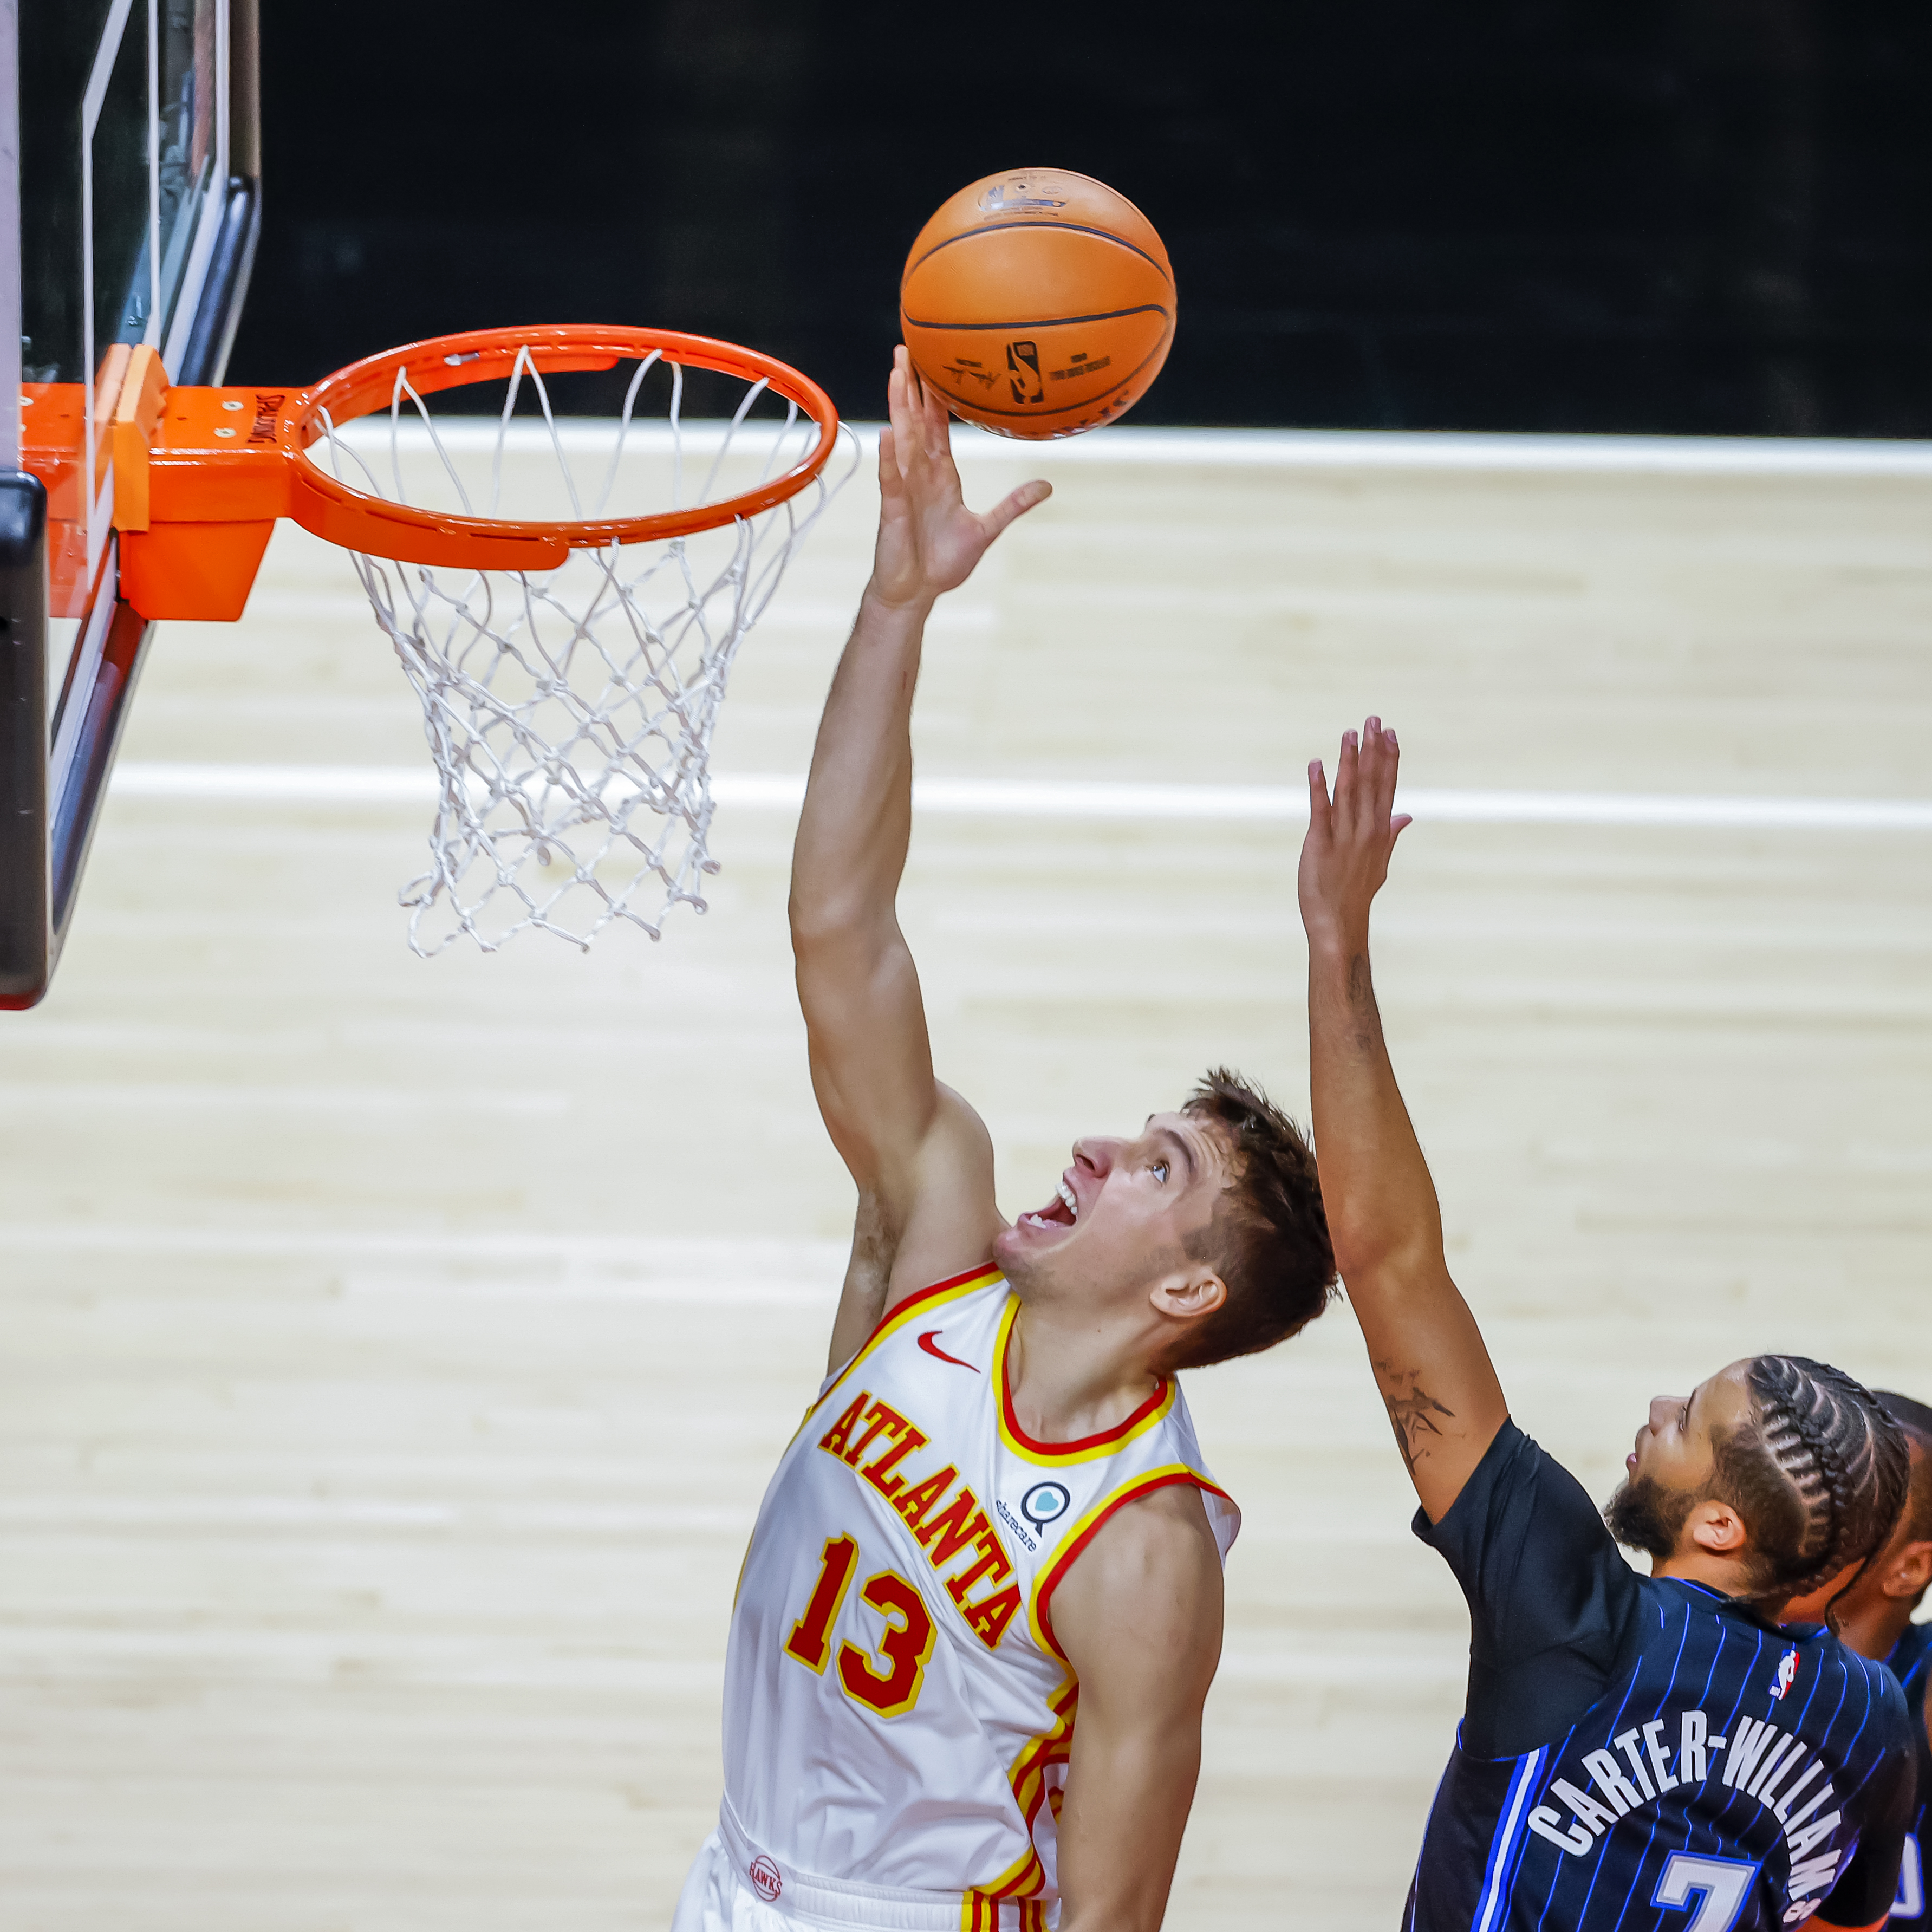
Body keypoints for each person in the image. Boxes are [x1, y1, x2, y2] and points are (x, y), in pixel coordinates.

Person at [671, 352, 1338, 1932]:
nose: (1104, 1148)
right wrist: (897, 603)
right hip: (729, 1882)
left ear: (1185, 1296)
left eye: (1157, 1171)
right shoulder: (938, 1231)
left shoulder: (1146, 1549)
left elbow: (1113, 1914)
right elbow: (839, 931)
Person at [1297, 715, 1917, 1932]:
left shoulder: (1574, 1608)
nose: (1654, 1410)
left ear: (1722, 1520)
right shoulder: (1869, 1717)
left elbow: (1382, 1260)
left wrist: (1337, 941)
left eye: (1687, 1418)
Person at [1782, 1391, 1932, 1925]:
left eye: (1856, 1487)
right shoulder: (1708, 1637)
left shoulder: (1918, 1683)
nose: (1808, 1495)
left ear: (1910, 1568)